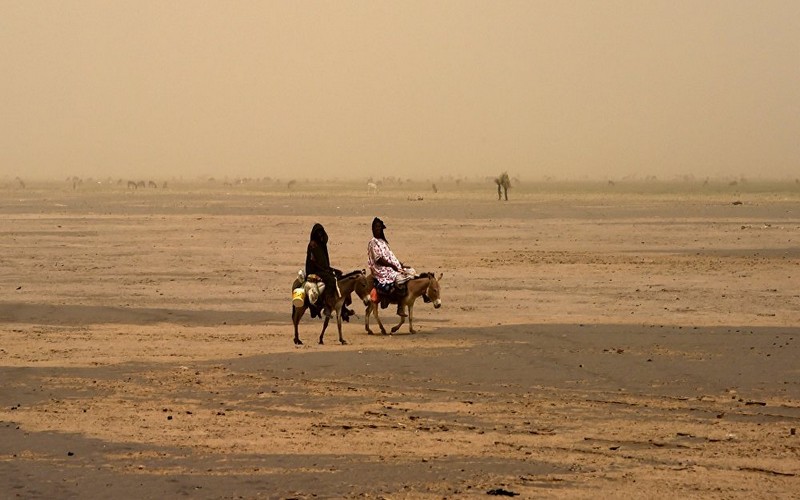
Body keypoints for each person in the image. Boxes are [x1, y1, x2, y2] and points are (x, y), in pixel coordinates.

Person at [367, 217, 415, 316]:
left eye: (379, 227)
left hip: (391, 266)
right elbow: (379, 259)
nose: (377, 229)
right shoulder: (373, 243)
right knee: (399, 279)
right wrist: (392, 266)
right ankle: (399, 306)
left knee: (412, 272)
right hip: (381, 269)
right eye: (376, 227)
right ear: (372, 229)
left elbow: (390, 256)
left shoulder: (383, 241)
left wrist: (399, 264)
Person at [305, 223, 340, 317]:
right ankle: (327, 306)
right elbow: (314, 263)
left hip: (323, 269)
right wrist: (326, 271)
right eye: (318, 232)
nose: (320, 234)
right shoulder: (313, 245)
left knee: (339, 275)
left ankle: (342, 308)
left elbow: (324, 262)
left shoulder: (321, 244)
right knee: (331, 280)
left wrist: (330, 269)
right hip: (314, 271)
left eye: (321, 232)